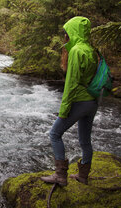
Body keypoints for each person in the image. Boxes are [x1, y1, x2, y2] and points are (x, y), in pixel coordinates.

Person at [40, 16, 98, 186]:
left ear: (72, 32)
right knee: (85, 140)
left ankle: (60, 176)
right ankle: (83, 176)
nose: (65, 35)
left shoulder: (75, 51)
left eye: (66, 32)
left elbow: (71, 85)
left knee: (54, 133)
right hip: (93, 102)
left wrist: (64, 110)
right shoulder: (91, 50)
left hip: (79, 101)